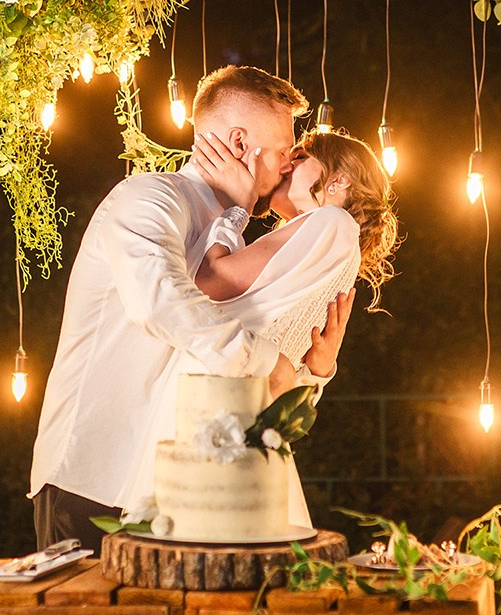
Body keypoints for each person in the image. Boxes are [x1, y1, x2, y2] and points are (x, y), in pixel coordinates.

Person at [29, 64, 315, 552]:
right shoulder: (148, 197)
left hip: (172, 487)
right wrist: (267, 364)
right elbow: (159, 303)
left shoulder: (233, 235)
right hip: (94, 473)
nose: (288, 166)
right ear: (241, 143)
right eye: (284, 151)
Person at [185, 125, 400, 528]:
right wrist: (319, 371)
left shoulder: (332, 222)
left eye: (299, 159)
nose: (285, 166)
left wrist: (238, 207)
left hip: (215, 403)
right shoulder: (328, 238)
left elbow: (210, 283)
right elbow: (285, 374)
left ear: (339, 180)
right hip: (244, 422)